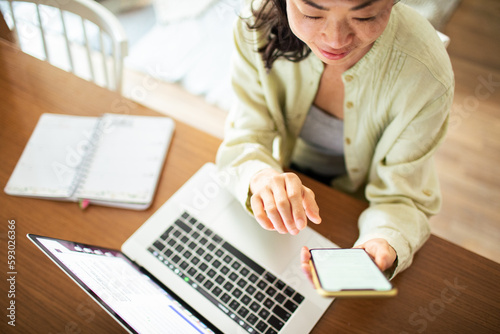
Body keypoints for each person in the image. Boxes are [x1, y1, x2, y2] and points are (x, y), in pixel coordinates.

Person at [216, 0, 454, 279]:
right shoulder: (257, 26)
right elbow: (246, 134)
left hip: (359, 206)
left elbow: (404, 195)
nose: (335, 39)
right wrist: (260, 177)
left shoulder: (426, 77)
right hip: (283, 177)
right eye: (311, 13)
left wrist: (382, 238)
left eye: (365, 17)